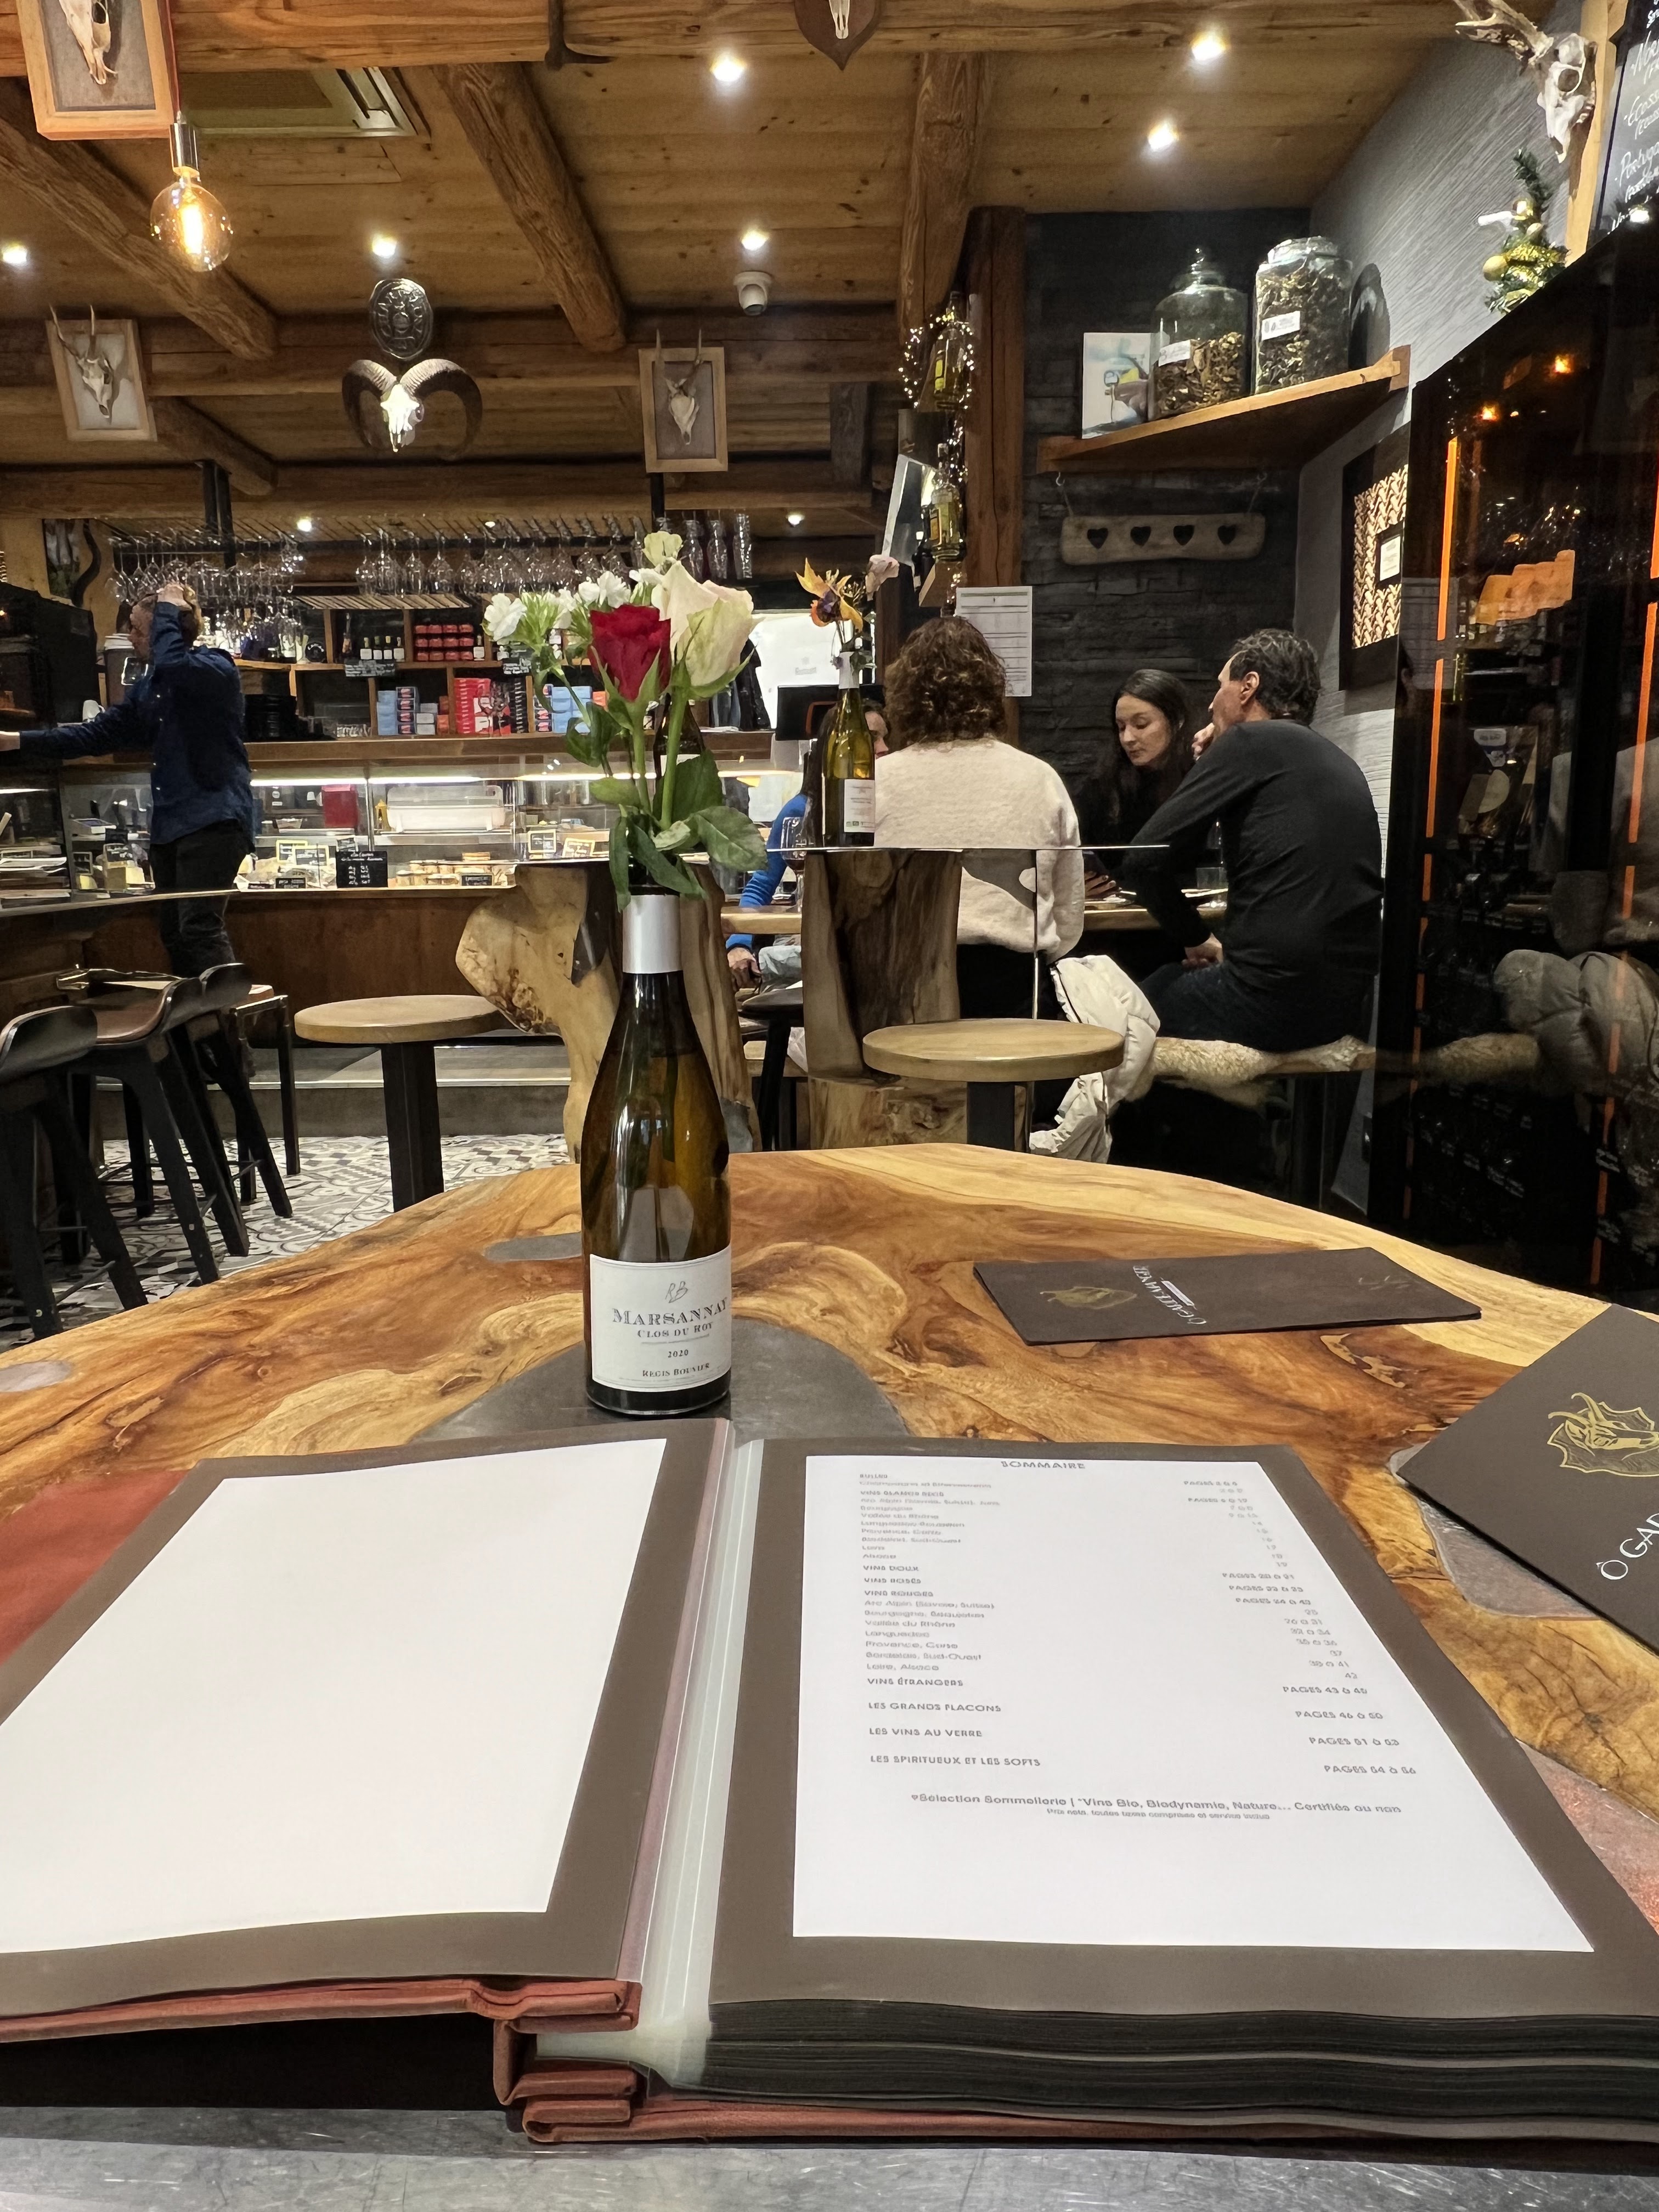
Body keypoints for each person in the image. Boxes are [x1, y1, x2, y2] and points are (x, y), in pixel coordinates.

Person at [1116, 629, 1381, 1051]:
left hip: (1269, 1002)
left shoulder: (1249, 743)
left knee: (1125, 1013)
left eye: (1221, 685)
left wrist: (1197, 938)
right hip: (1348, 1006)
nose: (1211, 704)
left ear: (1248, 687)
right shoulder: (1336, 758)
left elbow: (1143, 860)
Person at [15, 582, 258, 977]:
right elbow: (96, 735)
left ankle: (228, 1015)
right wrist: (16, 740)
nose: (130, 637)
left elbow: (174, 665)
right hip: (171, 825)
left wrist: (168, 608)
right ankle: (196, 1015)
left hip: (214, 819)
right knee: (174, 933)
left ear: (167, 629)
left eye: (138, 628)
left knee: (199, 929)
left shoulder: (214, 668)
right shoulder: (149, 687)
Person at [876, 618, 1083, 1018]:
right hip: (1017, 994)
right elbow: (1069, 913)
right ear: (991, 690)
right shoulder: (1039, 777)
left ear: (904, 696)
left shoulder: (876, 782)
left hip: (903, 995)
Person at [726, 694, 889, 989]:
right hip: (816, 942)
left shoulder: (891, 804)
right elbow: (761, 885)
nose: (884, 749)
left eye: (884, 738)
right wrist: (738, 944)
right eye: (873, 738)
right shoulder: (800, 810)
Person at [1075, 668, 1195, 893]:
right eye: (1121, 727)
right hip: (1121, 911)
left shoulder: (1200, 777)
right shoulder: (1102, 788)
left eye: (1141, 725)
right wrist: (1079, 885)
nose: (1128, 738)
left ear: (1177, 721)